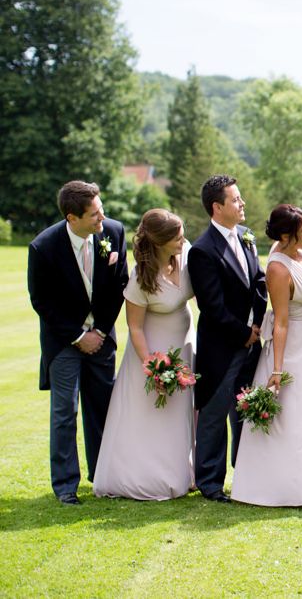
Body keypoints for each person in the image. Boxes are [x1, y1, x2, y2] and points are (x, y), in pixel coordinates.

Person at [231, 205, 302, 505]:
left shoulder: (300, 252)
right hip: (292, 346)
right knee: (292, 413)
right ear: (285, 235)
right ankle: (282, 486)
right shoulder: (278, 269)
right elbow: (280, 322)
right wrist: (277, 369)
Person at [28, 181, 128, 504]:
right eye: (94, 215)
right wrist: (77, 336)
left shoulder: (113, 232)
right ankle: (65, 485)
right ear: (72, 217)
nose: (102, 219)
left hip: (101, 338)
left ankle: (102, 476)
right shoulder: (43, 248)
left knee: (101, 407)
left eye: (101, 211)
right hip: (63, 341)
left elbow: (119, 286)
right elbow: (41, 301)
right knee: (65, 411)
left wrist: (98, 331)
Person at [94, 210, 195, 500]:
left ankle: (183, 470)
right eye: (176, 236)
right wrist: (152, 364)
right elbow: (134, 327)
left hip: (185, 341)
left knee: (181, 409)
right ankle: (146, 475)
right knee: (152, 411)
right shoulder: (141, 276)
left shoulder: (186, 253)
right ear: (159, 241)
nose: (182, 239)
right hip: (153, 346)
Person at [188, 175, 267, 503]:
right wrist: (243, 332)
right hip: (221, 348)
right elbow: (212, 307)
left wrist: (257, 325)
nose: (242, 203)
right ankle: (210, 482)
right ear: (217, 207)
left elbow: (259, 282)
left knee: (247, 412)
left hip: (252, 342)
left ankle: (246, 475)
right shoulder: (202, 251)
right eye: (236, 200)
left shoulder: (247, 237)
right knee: (214, 414)